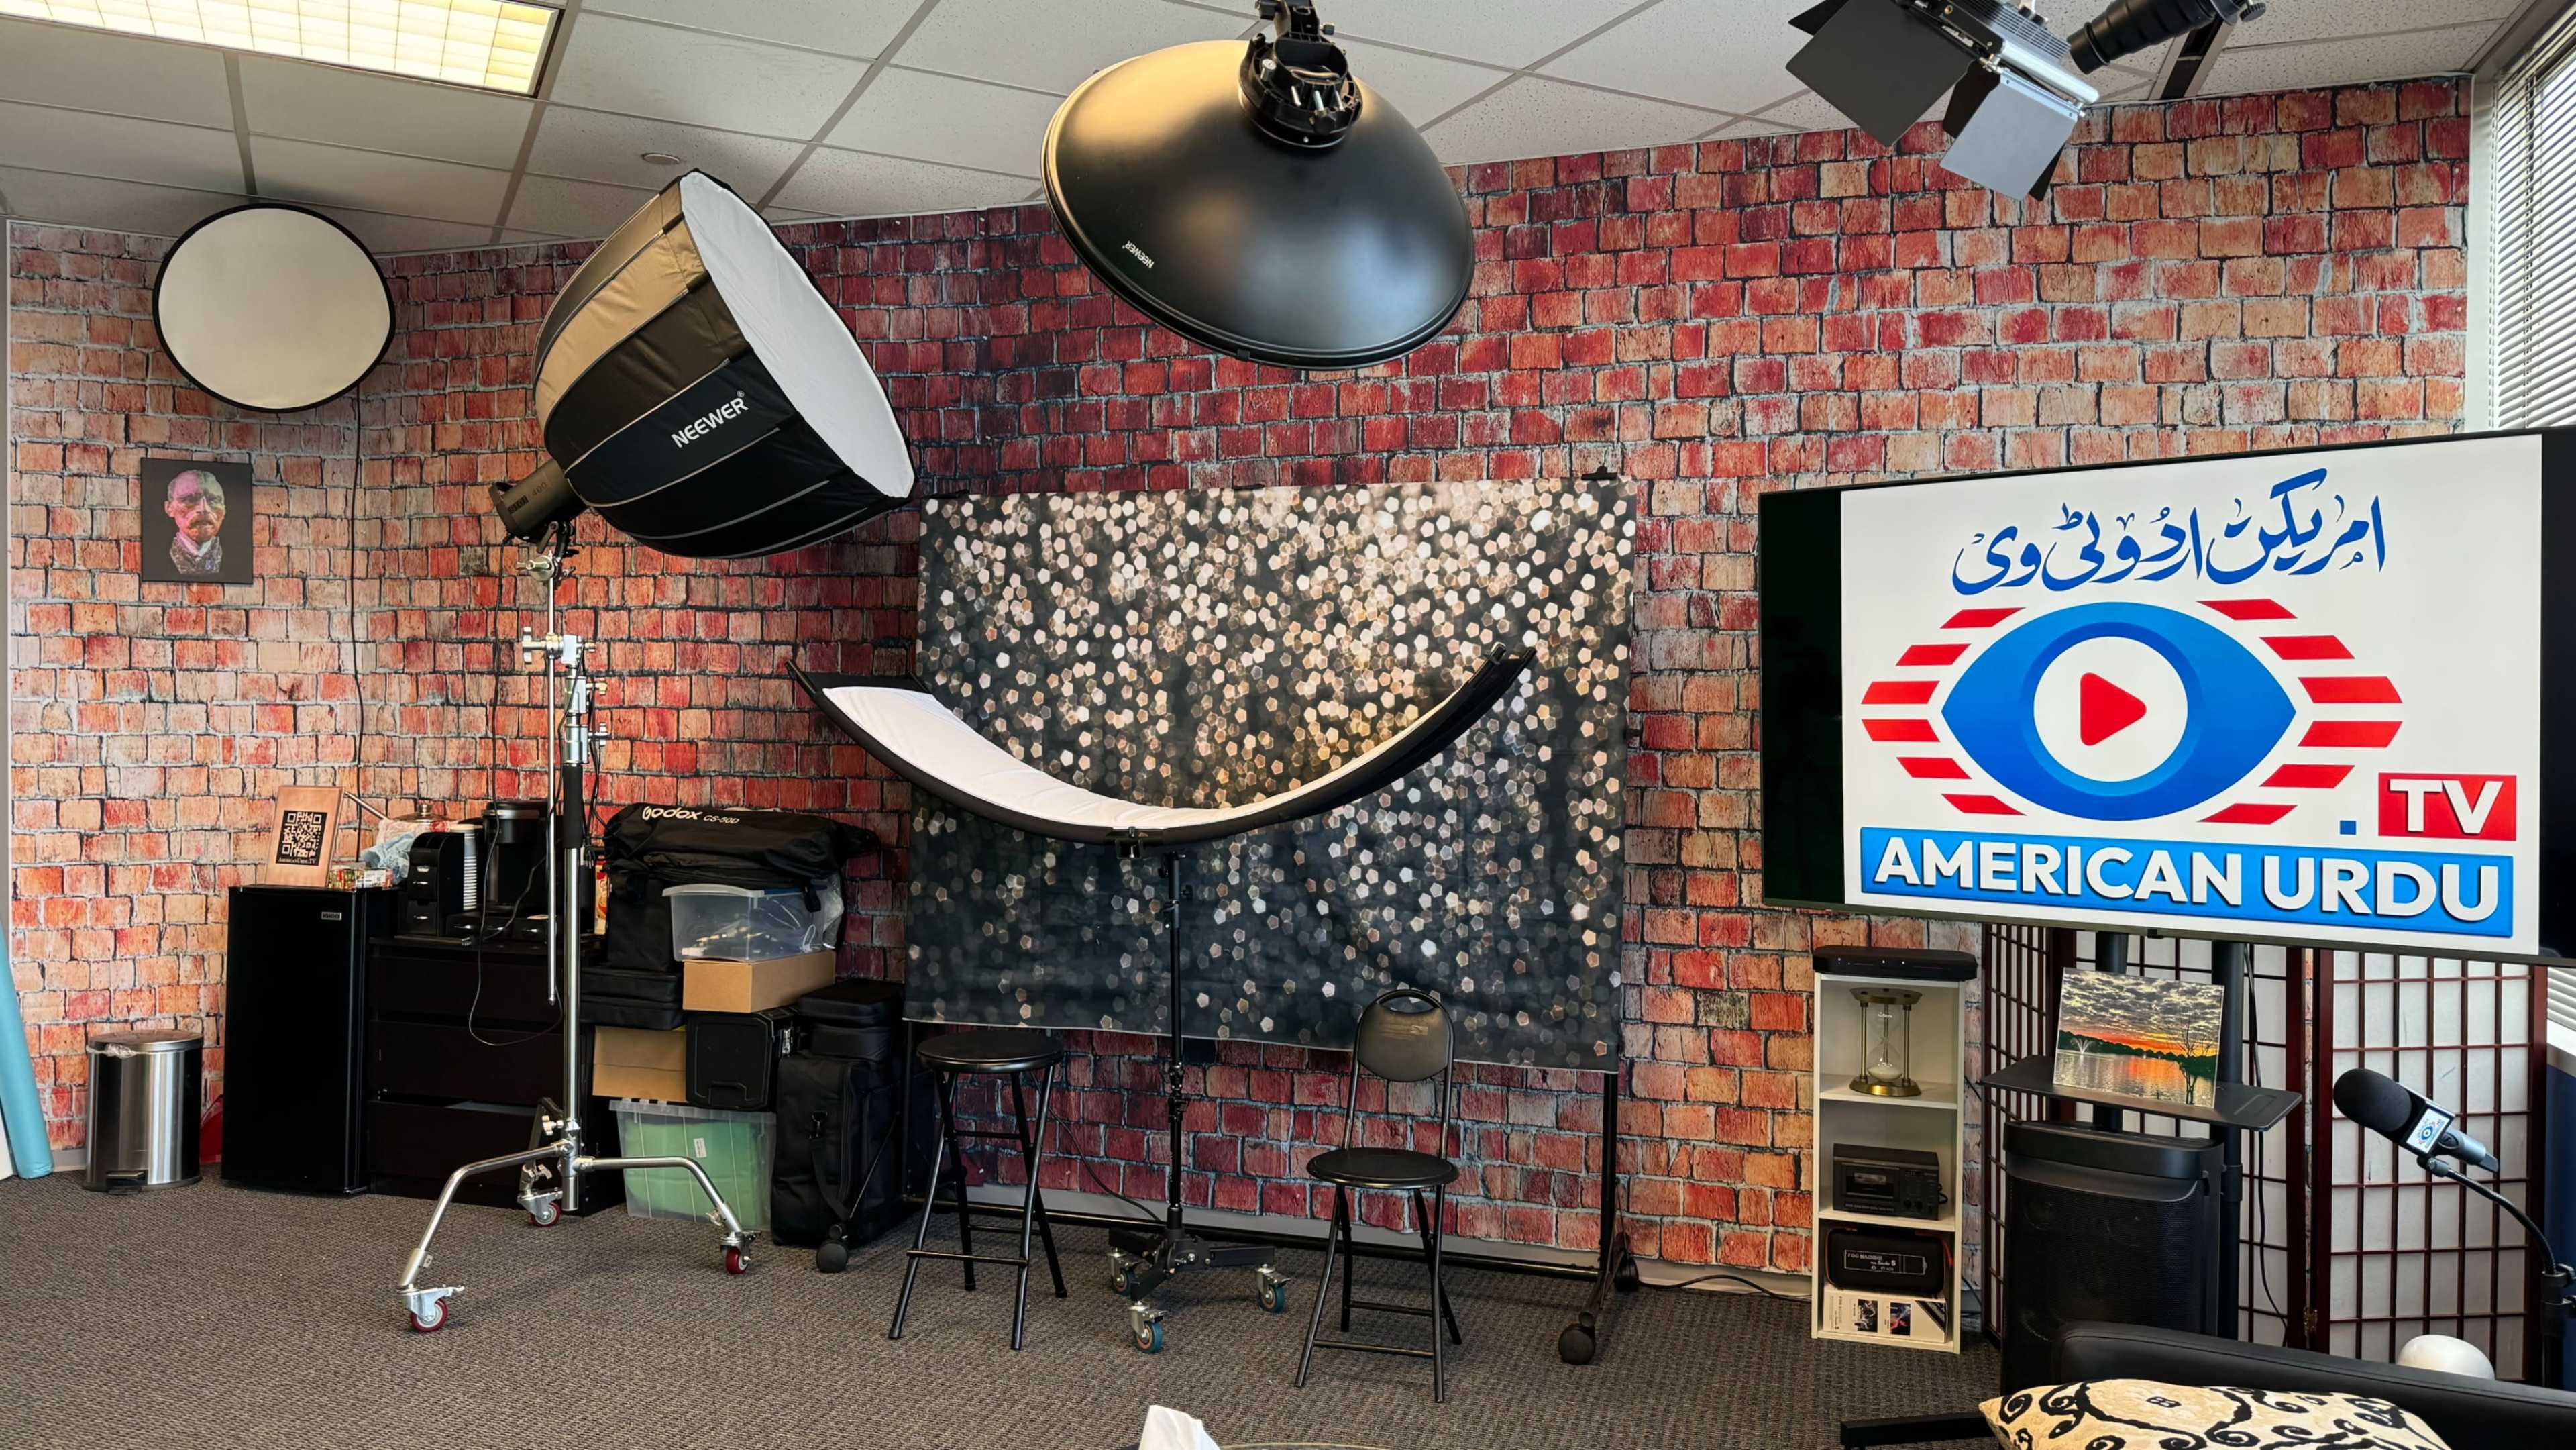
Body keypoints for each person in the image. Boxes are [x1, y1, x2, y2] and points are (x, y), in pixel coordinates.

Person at [163, 468, 227, 577]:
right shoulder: (155, 561)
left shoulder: (240, 561)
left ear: (224, 510)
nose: (204, 509)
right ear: (169, 508)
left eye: (214, 500)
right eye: (190, 500)